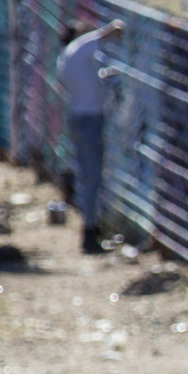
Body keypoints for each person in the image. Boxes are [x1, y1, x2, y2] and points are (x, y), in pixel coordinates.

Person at [55, 18, 125, 254]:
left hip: (80, 118)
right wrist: (117, 28)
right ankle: (89, 231)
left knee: (88, 175)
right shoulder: (77, 48)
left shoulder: (66, 58)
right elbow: (107, 32)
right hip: (89, 120)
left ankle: (90, 227)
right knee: (91, 176)